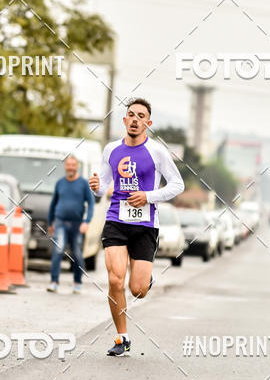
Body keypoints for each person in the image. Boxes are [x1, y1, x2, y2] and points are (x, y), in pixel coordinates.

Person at [89, 98, 184, 357]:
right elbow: (101, 189)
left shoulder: (157, 152)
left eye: (140, 116)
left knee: (137, 290)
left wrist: (148, 196)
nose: (135, 119)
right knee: (114, 279)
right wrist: (95, 186)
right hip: (116, 221)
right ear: (124, 120)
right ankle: (122, 338)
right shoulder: (111, 150)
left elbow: (177, 185)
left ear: (148, 123)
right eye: (130, 115)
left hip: (144, 224)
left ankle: (145, 279)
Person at [47, 155, 94, 294]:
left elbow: (91, 204)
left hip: (77, 224)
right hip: (60, 222)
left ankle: (77, 282)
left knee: (77, 253)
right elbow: (53, 203)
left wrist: (87, 221)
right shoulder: (60, 183)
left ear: (77, 166)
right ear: (65, 166)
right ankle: (54, 282)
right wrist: (50, 223)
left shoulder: (84, 184)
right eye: (68, 165)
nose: (71, 167)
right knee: (58, 250)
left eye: (73, 165)